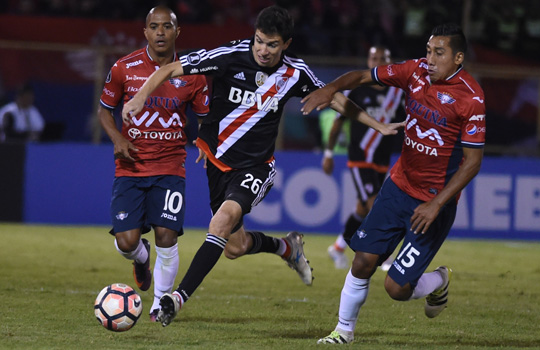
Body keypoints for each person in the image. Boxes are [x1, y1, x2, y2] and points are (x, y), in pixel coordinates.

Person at [122, 5, 403, 327]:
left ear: (286, 44)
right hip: (217, 163)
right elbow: (170, 69)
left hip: (256, 166)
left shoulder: (295, 73)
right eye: (259, 41)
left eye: (272, 45)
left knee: (220, 223)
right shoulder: (230, 55)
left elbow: (337, 99)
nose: (263, 50)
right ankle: (286, 247)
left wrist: (376, 125)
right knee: (234, 246)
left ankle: (176, 299)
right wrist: (141, 96)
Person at [301, 23, 486, 344]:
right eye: (428, 51)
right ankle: (343, 332)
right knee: (362, 261)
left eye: (438, 53)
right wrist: (329, 89)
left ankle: (439, 279)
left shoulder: (471, 99)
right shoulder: (413, 71)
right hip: (398, 186)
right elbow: (361, 76)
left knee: (396, 288)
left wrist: (436, 204)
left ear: (458, 58)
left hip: (431, 204)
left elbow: (472, 163)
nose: (429, 58)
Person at [98, 5, 210, 322]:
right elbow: (104, 111)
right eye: (154, 26)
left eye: (167, 26)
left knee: (167, 235)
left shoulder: (194, 74)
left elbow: (205, 119)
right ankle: (140, 259)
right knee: (126, 241)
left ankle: (160, 304)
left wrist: (205, 140)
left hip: (171, 166)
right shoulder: (123, 67)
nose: (160, 32)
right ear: (145, 31)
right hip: (130, 166)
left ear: (177, 32)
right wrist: (118, 140)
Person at [323, 45, 405, 270]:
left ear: (390, 62)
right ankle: (382, 254)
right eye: (373, 58)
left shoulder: (399, 92)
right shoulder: (355, 89)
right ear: (368, 61)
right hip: (360, 156)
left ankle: (338, 247)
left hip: (382, 159)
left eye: (382, 58)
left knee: (362, 207)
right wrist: (328, 154)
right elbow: (337, 124)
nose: (377, 62)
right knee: (375, 203)